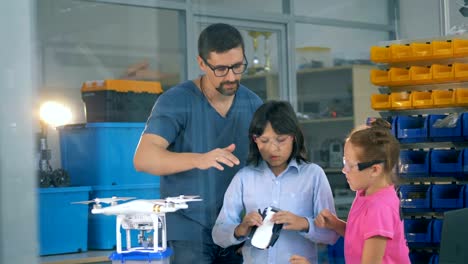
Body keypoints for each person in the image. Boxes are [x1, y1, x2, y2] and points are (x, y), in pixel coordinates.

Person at [133, 23, 263, 264]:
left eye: (237, 66)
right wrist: (200, 159)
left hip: (236, 228)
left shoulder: (253, 104)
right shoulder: (177, 101)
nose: (232, 76)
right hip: (189, 229)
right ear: (202, 63)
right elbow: (144, 158)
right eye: (221, 69)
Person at [212, 100, 339, 264]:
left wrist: (304, 224)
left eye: (281, 140)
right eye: (264, 141)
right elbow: (218, 234)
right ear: (255, 140)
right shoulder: (244, 178)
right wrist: (241, 229)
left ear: (294, 137)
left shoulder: (313, 175)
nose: (272, 149)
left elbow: (332, 235)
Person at [312, 118, 410, 264]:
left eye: (350, 165)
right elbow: (361, 237)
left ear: (375, 170)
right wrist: (336, 224)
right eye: (345, 162)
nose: (344, 170)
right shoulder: (365, 193)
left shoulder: (380, 208)